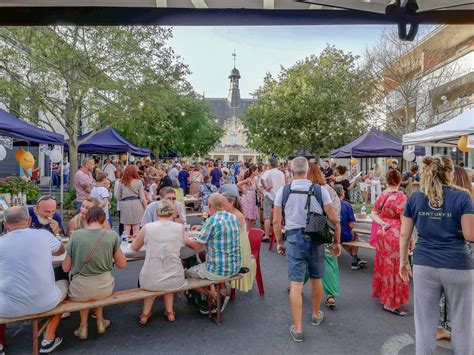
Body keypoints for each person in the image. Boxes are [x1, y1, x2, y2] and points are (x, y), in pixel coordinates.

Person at [400, 156, 473, 355]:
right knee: (463, 325)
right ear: (449, 173)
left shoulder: (415, 197)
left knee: (424, 325)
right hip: (457, 264)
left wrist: (403, 261)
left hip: (424, 264)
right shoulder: (463, 196)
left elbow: (405, 234)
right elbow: (470, 235)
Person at [273, 157, 341, 342]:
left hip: (294, 238)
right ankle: (316, 314)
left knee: (295, 284)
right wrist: (336, 242)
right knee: (316, 278)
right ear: (308, 169)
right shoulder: (320, 190)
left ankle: (298, 328)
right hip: (316, 237)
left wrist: (279, 242)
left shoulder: (284, 191)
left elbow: (276, 222)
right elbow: (334, 220)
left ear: (291, 170)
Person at [0, 206, 67, 353]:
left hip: (8, 308)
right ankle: (49, 337)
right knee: (64, 283)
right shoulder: (43, 235)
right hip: (46, 302)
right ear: (29, 220)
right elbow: (61, 250)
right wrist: (55, 237)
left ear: (5, 224)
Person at [63, 208, 127, 340]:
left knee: (85, 292)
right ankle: (100, 321)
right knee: (96, 289)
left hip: (80, 290)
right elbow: (122, 264)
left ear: (85, 219)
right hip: (104, 288)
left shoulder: (75, 235)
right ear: (103, 221)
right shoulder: (111, 235)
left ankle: (83, 326)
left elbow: (65, 268)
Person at [131, 200, 188, 325]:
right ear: (173, 213)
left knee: (154, 277)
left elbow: (134, 248)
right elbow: (184, 243)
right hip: (175, 276)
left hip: (151, 278)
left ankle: (145, 315)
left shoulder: (148, 227)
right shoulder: (180, 228)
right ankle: (170, 312)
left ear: (157, 213)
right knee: (167, 277)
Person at [184, 193, 241, 309]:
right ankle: (213, 293)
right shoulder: (232, 217)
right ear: (223, 204)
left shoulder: (212, 221)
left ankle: (214, 296)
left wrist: (184, 238)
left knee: (185, 274)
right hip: (235, 266)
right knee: (203, 263)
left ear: (209, 205)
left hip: (218, 270)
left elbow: (196, 246)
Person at [437, 165, 473, 341]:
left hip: (446, 254)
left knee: (447, 292)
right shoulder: (468, 200)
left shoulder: (443, 200)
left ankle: (446, 328)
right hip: (465, 254)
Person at [370, 169, 409, 316]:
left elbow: (373, 213)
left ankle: (384, 295)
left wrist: (382, 223)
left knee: (384, 266)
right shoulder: (400, 197)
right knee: (395, 267)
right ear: (400, 181)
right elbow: (405, 220)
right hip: (396, 233)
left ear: (387, 181)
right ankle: (391, 303)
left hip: (383, 233)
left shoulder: (382, 195)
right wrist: (410, 238)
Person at [308, 163, 341, 309]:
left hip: (311, 227)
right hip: (327, 227)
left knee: (307, 257)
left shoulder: (306, 189)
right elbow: (336, 213)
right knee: (328, 260)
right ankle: (330, 295)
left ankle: (295, 284)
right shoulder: (328, 189)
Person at [222, 192, 256, 293]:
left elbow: (225, 230)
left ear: (231, 202)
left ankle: (222, 287)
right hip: (235, 242)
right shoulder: (230, 213)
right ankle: (222, 286)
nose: (222, 205)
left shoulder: (237, 215)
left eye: (224, 202)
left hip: (239, 245)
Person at [333, 184, 367, 270]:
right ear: (342, 193)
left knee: (342, 239)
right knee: (355, 237)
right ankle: (354, 261)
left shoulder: (330, 204)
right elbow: (351, 225)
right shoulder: (346, 205)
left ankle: (356, 258)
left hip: (334, 234)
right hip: (343, 234)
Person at [117, 165, 147, 237]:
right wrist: (146, 208)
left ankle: (125, 246)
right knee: (136, 229)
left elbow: (118, 196)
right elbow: (142, 197)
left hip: (125, 205)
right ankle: (134, 246)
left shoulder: (121, 182)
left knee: (126, 230)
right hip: (137, 204)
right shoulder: (139, 182)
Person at [261, 158, 286, 242]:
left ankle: (267, 235)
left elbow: (262, 179)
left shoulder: (268, 172)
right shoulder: (281, 173)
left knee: (267, 216)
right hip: (279, 196)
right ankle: (278, 235)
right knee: (279, 216)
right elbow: (284, 185)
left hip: (269, 195)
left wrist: (265, 187)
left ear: (270, 164)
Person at [237, 164, 259, 230]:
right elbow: (238, 184)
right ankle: (245, 233)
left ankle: (249, 233)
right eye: (257, 170)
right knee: (247, 217)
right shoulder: (248, 179)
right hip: (247, 198)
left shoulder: (254, 179)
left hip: (252, 199)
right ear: (253, 171)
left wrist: (263, 194)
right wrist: (243, 190)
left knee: (252, 218)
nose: (258, 172)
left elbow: (258, 188)